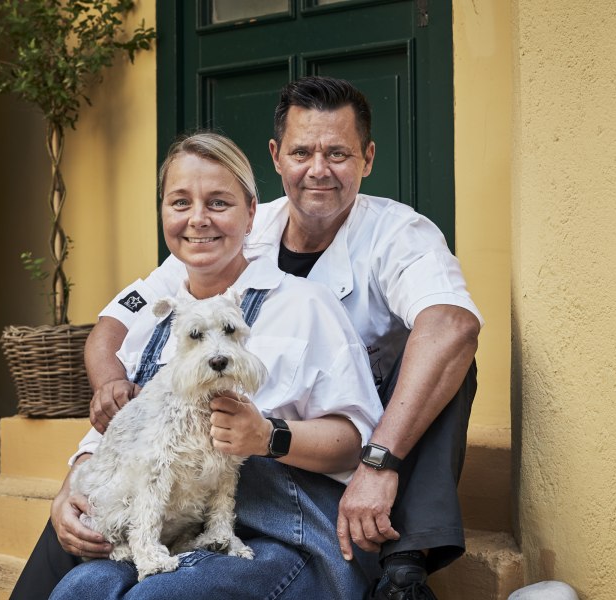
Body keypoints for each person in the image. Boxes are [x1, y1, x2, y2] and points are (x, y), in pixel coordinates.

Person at [84, 76, 483, 600]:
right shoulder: (240, 224)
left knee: (447, 359)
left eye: (338, 153)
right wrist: (110, 382)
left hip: (371, 417)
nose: (318, 169)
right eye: (302, 152)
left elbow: (453, 325)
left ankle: (405, 561)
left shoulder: (397, 233)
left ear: (367, 157)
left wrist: (379, 461)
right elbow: (125, 316)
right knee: (78, 577)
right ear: (276, 156)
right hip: (244, 438)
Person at [14, 132, 385, 599]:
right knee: (80, 591)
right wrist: (69, 493)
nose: (197, 219)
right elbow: (120, 431)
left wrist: (268, 436)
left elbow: (356, 440)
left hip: (278, 535)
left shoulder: (305, 305)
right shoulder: (155, 314)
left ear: (252, 213)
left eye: (218, 202)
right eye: (179, 202)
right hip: (164, 524)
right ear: (163, 213)